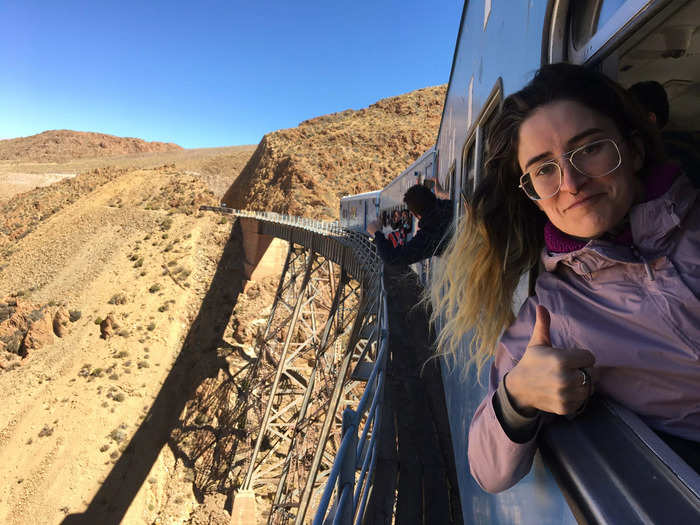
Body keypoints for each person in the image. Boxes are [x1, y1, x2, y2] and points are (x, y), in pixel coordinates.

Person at [430, 63, 700, 493]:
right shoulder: (553, 314)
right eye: (544, 169)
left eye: (590, 148)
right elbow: (486, 468)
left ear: (632, 150)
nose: (571, 183)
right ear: (532, 197)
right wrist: (517, 395)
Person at [367, 184, 453, 266]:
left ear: (415, 215)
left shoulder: (429, 234)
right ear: (431, 196)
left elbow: (391, 258)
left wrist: (376, 233)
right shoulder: (451, 205)